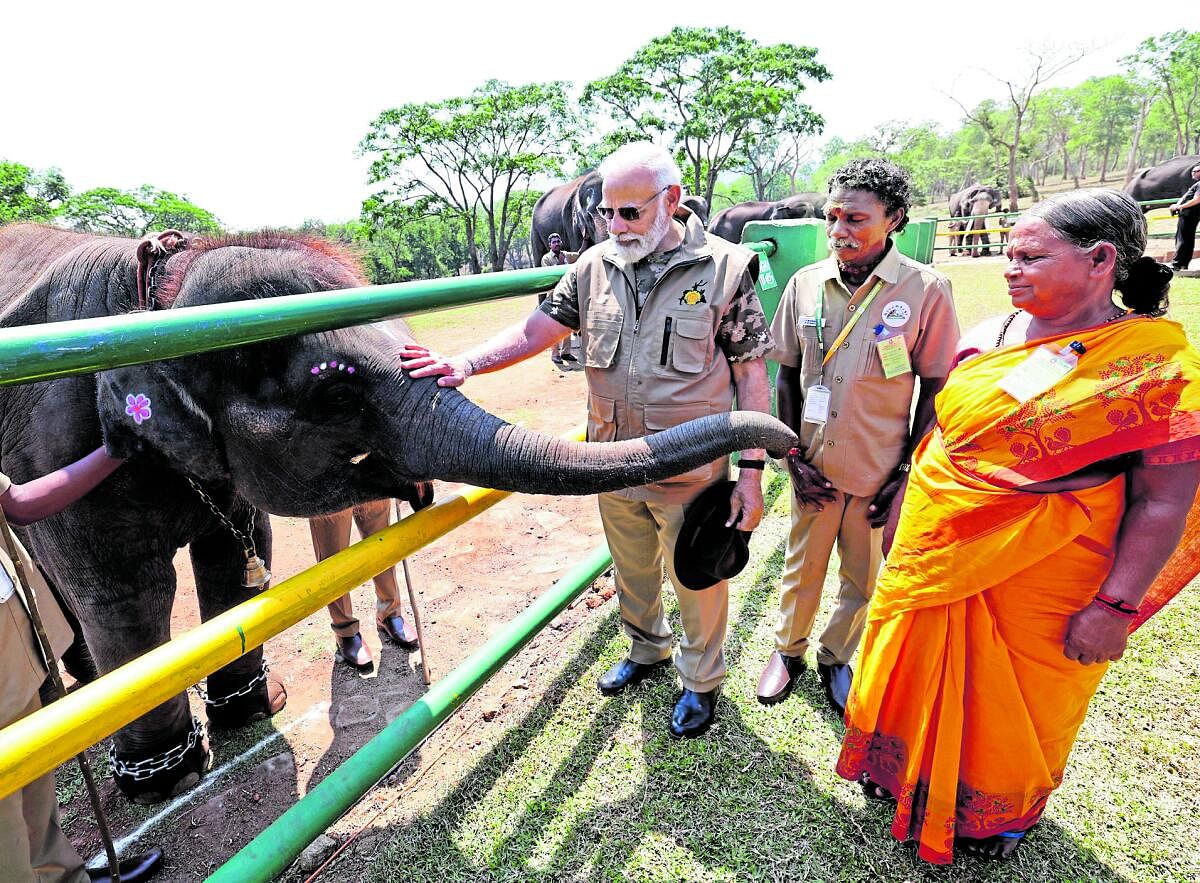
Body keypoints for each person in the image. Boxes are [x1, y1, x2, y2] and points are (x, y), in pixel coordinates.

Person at [836, 188, 1200, 864]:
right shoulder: (989, 334)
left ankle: (996, 812)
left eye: (1031, 256)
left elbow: (1163, 501)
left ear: (1100, 260)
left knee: (1018, 703)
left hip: (1047, 569)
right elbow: (945, 433)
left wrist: (1114, 606)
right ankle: (903, 773)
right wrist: (911, 503)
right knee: (908, 666)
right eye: (1009, 255)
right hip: (934, 547)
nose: (1011, 268)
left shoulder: (1157, 366)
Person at [398, 141, 774, 738]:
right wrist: (465, 363)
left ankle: (701, 682)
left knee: (699, 578)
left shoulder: (725, 269)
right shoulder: (593, 266)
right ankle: (646, 651)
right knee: (632, 570)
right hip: (609, 463)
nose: (617, 226)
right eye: (607, 213)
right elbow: (536, 330)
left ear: (672, 200)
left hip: (692, 468)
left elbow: (752, 372)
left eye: (631, 213)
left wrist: (750, 473)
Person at [757, 158, 960, 715]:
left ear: (894, 219)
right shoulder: (804, 285)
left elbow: (937, 384)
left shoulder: (925, 290)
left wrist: (907, 473)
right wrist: (791, 454)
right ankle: (787, 651)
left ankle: (836, 655)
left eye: (856, 219)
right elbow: (789, 374)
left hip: (879, 471)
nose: (839, 231)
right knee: (801, 568)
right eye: (833, 217)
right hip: (815, 467)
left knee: (863, 576)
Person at [0, 447, 164, 882]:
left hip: (13, 636)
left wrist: (115, 450)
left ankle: (64, 878)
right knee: (3, 817)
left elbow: (15, 503)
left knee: (34, 777)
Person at [310, 499, 420, 674]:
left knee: (381, 540)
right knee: (333, 550)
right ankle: (345, 630)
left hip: (372, 474)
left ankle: (389, 612)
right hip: (328, 477)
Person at [540, 233, 581, 365]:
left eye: (558, 241)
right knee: (554, 326)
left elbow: (580, 254)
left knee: (567, 325)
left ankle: (566, 352)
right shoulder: (546, 258)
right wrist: (562, 262)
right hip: (553, 297)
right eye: (554, 242)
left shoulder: (567, 255)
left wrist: (585, 239)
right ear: (550, 245)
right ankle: (555, 354)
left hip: (567, 295)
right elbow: (549, 276)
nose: (557, 243)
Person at [1168, 161, 1200, 272]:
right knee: (1188, 239)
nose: (1193, 173)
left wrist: (1179, 206)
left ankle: (1177, 263)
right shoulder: (1197, 184)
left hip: (1188, 215)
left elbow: (1197, 200)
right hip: (1190, 215)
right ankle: (1183, 264)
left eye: (1196, 171)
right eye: (1192, 171)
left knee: (1182, 239)